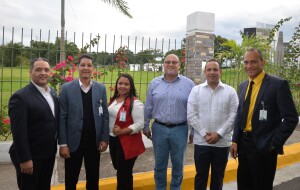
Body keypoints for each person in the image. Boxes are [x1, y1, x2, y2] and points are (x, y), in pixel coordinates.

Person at [230, 48, 299, 190]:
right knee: (243, 185)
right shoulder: (243, 86)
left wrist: (273, 144)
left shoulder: (278, 85)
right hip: (243, 147)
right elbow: (240, 114)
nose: (249, 66)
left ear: (263, 62)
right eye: (246, 62)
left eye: (253, 62)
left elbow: (291, 118)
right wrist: (235, 140)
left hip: (264, 148)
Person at [144, 54, 195, 190]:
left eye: (174, 62)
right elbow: (148, 106)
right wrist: (146, 125)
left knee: (178, 165)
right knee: (160, 165)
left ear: (179, 65)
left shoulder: (189, 84)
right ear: (163, 65)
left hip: (180, 129)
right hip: (159, 128)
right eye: (167, 62)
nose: (171, 64)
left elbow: (194, 109)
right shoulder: (154, 83)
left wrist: (193, 131)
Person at [58, 54, 109, 190]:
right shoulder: (66, 88)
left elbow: (104, 114)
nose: (86, 68)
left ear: (93, 68)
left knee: (93, 179)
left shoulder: (100, 88)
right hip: (73, 142)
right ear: (77, 67)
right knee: (71, 179)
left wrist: (104, 138)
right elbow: (61, 117)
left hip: (94, 142)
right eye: (83, 65)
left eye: (89, 65)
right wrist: (63, 144)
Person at [187, 59, 239, 190]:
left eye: (215, 69)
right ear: (205, 72)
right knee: (200, 176)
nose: (212, 72)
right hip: (201, 142)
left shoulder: (230, 91)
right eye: (209, 70)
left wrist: (219, 134)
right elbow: (191, 115)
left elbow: (234, 116)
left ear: (220, 72)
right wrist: (205, 134)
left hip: (222, 143)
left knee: (218, 176)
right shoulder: (196, 91)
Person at [8, 58, 59, 190]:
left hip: (48, 155)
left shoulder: (52, 93)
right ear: (30, 72)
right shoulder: (20, 97)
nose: (43, 73)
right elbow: (18, 133)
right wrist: (25, 159)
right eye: (38, 69)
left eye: (46, 70)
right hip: (31, 157)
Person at [108, 73, 145, 190]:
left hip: (127, 143)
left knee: (124, 174)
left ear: (131, 86)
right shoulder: (115, 99)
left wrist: (122, 131)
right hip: (113, 140)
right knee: (119, 168)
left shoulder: (135, 103)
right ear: (116, 85)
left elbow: (140, 124)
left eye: (126, 84)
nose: (122, 86)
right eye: (120, 83)